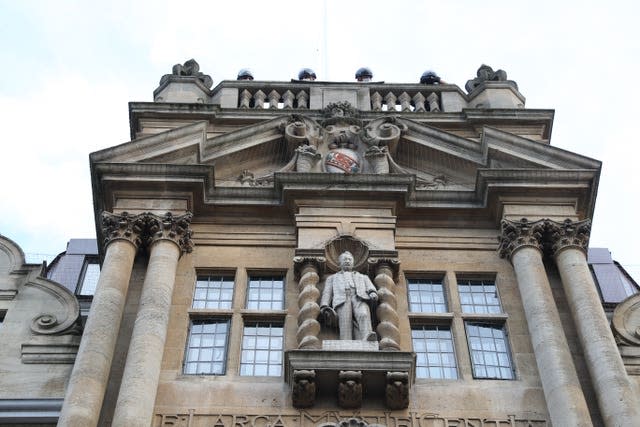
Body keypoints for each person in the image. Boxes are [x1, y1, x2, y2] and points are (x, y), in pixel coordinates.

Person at [320, 251, 378, 341]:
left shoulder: (362, 277)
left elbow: (370, 286)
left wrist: (372, 292)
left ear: (353, 262)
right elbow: (327, 293)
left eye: (349, 259)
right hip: (342, 299)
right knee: (345, 322)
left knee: (363, 314)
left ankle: (367, 336)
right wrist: (324, 306)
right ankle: (345, 341)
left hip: (359, 297)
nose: (347, 261)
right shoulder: (332, 278)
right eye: (345, 259)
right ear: (340, 263)